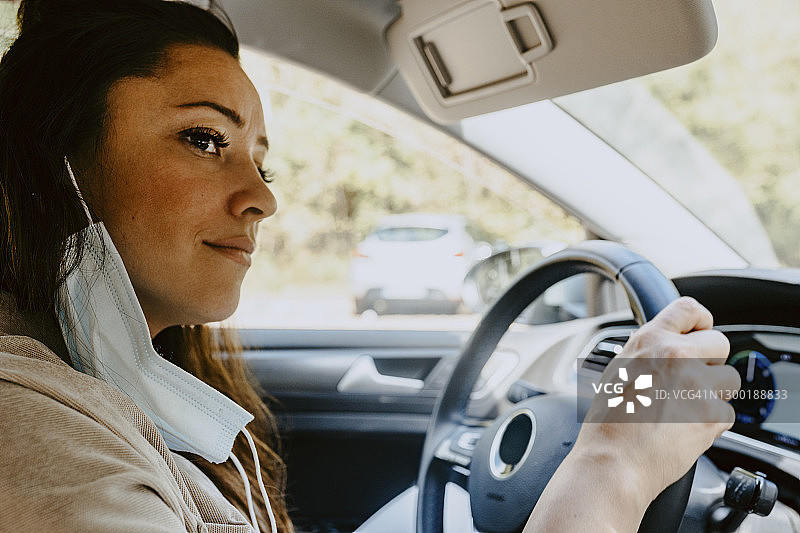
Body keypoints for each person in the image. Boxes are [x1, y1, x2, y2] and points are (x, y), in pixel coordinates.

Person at [0, 1, 739, 532]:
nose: (262, 197)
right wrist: (615, 460)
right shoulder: (35, 429)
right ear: (49, 159)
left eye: (261, 159)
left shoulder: (110, 390)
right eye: (203, 139)